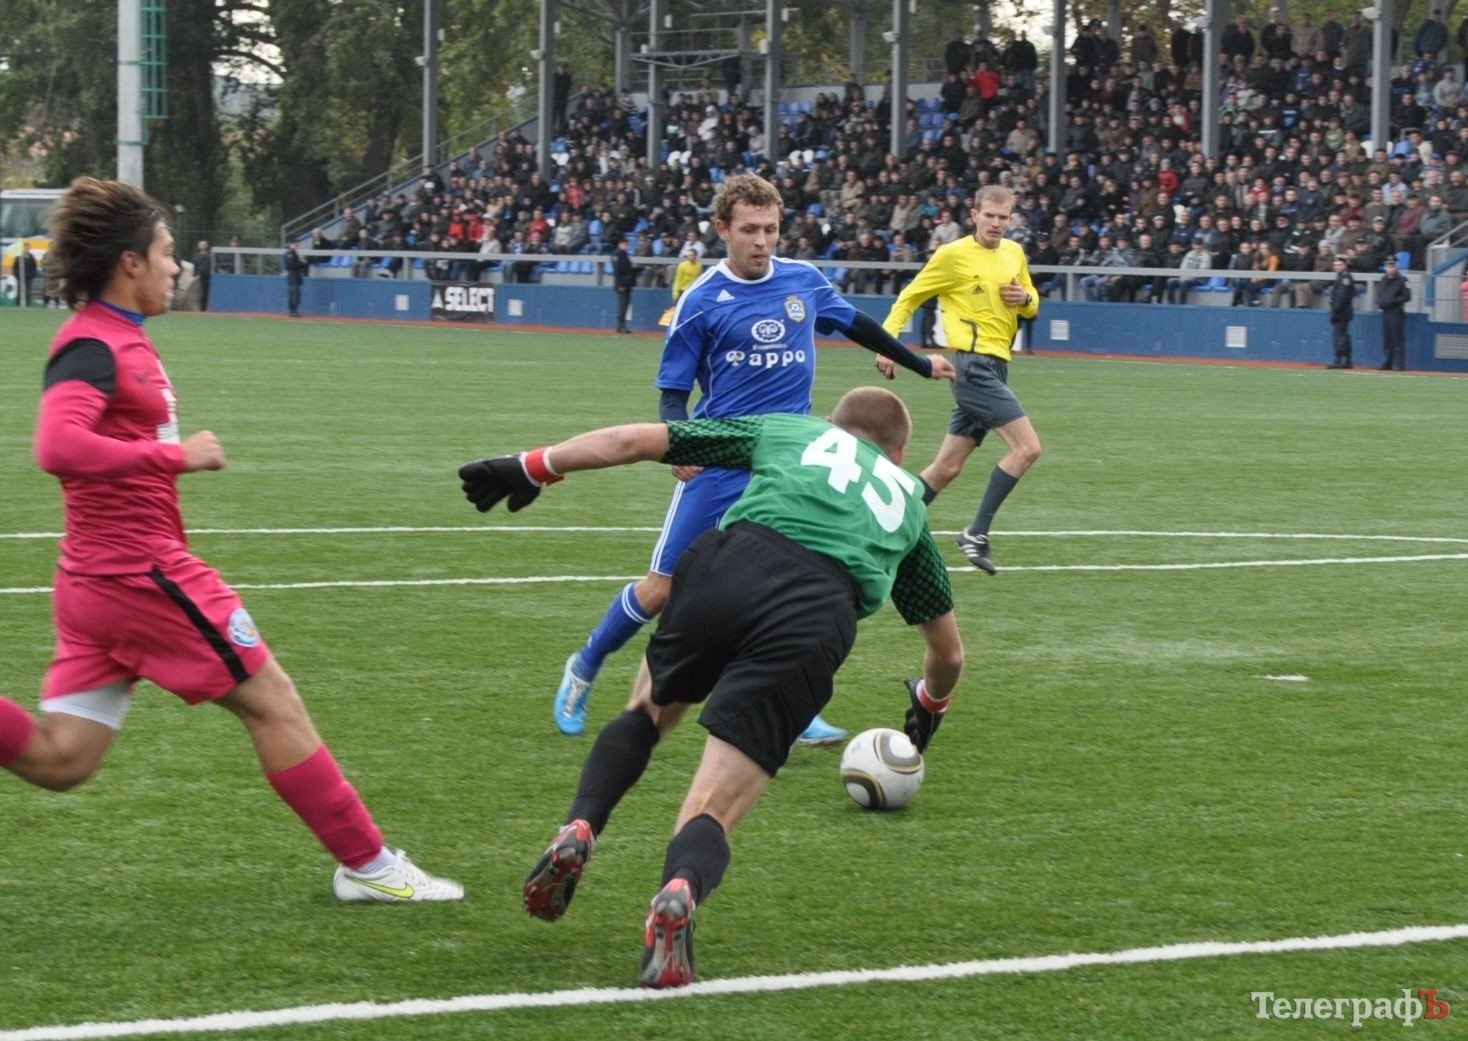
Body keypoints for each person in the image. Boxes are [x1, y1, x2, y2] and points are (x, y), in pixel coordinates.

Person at [0, 176, 461, 902]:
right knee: (273, 701)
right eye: (167, 252)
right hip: (142, 575)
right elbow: (57, 447)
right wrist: (172, 456)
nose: (176, 266)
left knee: (63, 759)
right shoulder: (95, 345)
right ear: (129, 262)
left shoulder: (115, 338)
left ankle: (367, 865)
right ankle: (368, 866)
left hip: (94, 582)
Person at [457, 385, 964, 989]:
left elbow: (635, 441)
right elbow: (947, 651)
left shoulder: (790, 430)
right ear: (900, 455)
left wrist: (532, 466)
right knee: (714, 806)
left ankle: (582, 826)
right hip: (816, 614)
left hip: (730, 565)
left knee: (648, 710)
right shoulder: (909, 504)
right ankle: (679, 890)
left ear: (832, 424)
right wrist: (930, 705)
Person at [550, 173, 954, 744]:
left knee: (783, 585)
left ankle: (791, 702)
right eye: (749, 230)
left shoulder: (803, 281)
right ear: (722, 230)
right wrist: (681, 439)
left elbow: (857, 325)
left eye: (770, 229)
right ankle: (586, 663)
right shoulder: (700, 302)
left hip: (790, 463)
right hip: (721, 459)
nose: (762, 241)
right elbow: (673, 389)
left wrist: (917, 364)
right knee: (663, 588)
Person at [876, 184, 1042, 575]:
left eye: (1004, 218)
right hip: (971, 368)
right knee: (1027, 448)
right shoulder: (952, 256)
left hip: (997, 365)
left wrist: (1025, 300)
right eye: (990, 216)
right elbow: (910, 297)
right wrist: (887, 343)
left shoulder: (1014, 253)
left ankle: (884, 529)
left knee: (946, 468)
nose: (998, 224)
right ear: (974, 215)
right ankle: (977, 532)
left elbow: (1033, 301)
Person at [1376, 256, 1410, 370]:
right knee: (1387, 339)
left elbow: (1407, 296)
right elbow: (1380, 294)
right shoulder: (1383, 279)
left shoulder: (1401, 280)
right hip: (1385, 312)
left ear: (1396, 266)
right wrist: (1380, 302)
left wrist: (1393, 302)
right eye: (1388, 266)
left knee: (1397, 339)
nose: (1390, 268)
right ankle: (1388, 361)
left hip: (1396, 313)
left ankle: (1399, 363)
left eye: (1392, 266)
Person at [1326, 255, 1356, 368]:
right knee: (1341, 336)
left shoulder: (1345, 278)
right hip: (1340, 311)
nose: (1337, 267)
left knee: (1340, 336)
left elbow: (1342, 297)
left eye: (1339, 265)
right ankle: (1344, 359)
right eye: (1335, 265)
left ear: (1344, 265)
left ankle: (1342, 360)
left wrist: (1336, 310)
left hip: (1342, 312)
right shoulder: (1340, 277)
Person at [613, 236, 636, 333]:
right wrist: (620, 285)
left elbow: (628, 269)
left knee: (625, 306)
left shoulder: (624, 254)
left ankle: (621, 325)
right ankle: (621, 325)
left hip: (627, 284)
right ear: (620, 245)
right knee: (623, 306)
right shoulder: (618, 255)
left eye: (627, 245)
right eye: (625, 244)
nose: (626, 246)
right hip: (622, 284)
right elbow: (617, 272)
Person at [284, 242, 307, 317]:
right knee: (294, 295)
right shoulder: (289, 254)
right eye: (295, 244)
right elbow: (291, 265)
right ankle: (293, 311)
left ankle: (294, 311)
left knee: (296, 295)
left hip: (296, 277)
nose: (297, 246)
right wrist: (302, 263)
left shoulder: (295, 253)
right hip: (293, 277)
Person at [192, 240, 211, 312]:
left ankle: (204, 308)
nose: (202, 246)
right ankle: (200, 308)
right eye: (200, 244)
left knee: (206, 292)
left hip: (208, 276)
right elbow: (195, 266)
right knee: (199, 293)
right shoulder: (196, 256)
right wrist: (195, 275)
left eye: (203, 244)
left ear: (206, 246)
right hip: (200, 277)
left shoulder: (210, 255)